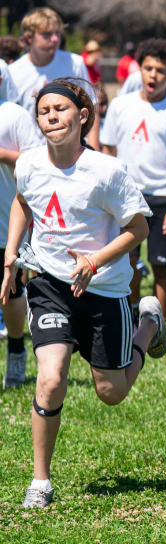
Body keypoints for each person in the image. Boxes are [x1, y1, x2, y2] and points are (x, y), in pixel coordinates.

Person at [5, 78, 166, 509]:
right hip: (50, 284)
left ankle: (147, 323)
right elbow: (24, 202)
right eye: (44, 111)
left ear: (82, 117)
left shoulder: (107, 171)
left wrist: (94, 261)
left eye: (60, 109)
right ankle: (40, 481)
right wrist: (10, 257)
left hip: (104, 290)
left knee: (111, 392)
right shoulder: (29, 163)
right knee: (51, 377)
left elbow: (138, 228)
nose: (51, 117)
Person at [99, 39, 166, 315]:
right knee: (127, 260)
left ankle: (158, 321)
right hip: (127, 197)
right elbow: (108, 151)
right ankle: (133, 313)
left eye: (160, 71)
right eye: (148, 68)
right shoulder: (120, 106)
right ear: (140, 69)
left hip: (163, 197)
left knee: (161, 265)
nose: (153, 75)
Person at [0, 96, 47, 388]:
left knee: (11, 293)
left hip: (6, 222)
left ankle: (16, 349)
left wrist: (2, 154)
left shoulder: (13, 114)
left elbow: (37, 162)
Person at [9, 9, 91, 115]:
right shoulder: (14, 72)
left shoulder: (75, 63)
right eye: (47, 34)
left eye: (57, 33)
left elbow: (91, 106)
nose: (55, 39)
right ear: (29, 38)